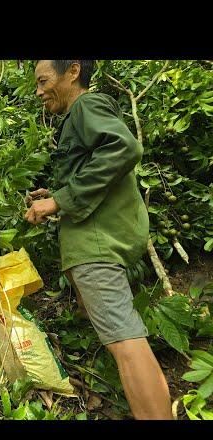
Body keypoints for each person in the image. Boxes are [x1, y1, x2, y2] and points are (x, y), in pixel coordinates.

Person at [24, 60, 173, 420]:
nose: (39, 91)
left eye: (44, 81)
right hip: (96, 241)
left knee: (126, 345)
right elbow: (93, 172)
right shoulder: (79, 116)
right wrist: (55, 194)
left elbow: (124, 149)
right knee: (123, 342)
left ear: (72, 71)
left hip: (98, 245)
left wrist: (60, 199)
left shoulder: (88, 105)